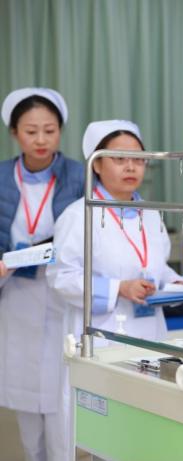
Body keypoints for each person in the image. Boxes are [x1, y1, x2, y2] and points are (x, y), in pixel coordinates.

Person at [47, 120, 183, 348]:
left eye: (138, 159)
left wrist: (176, 282)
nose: (131, 167)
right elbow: (62, 277)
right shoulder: (78, 215)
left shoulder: (151, 213)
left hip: (150, 331)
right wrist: (119, 288)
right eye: (119, 159)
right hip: (99, 336)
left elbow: (156, 266)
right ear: (97, 164)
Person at [0, 87, 84, 461]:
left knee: (62, 395)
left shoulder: (79, 176)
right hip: (15, 296)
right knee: (25, 397)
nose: (41, 140)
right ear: (14, 132)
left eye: (49, 131)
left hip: (62, 293)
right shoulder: (2, 176)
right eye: (31, 131)